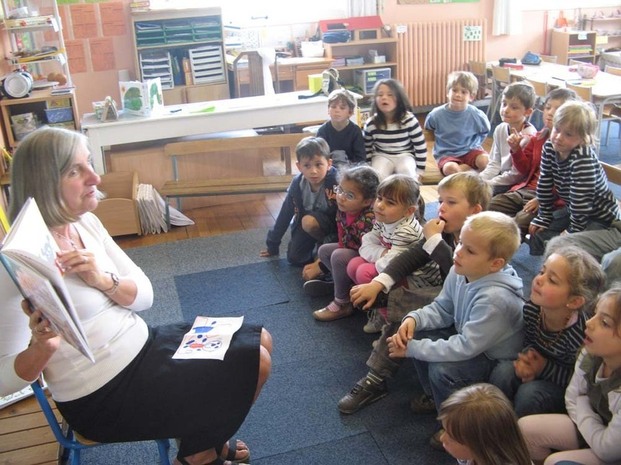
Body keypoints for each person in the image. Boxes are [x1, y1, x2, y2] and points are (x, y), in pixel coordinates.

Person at [0, 127, 272, 465]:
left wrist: (100, 279)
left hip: (146, 347)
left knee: (262, 339)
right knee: (256, 361)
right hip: (103, 395)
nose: (95, 177)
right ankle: (199, 454)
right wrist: (43, 349)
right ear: (44, 183)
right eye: (75, 171)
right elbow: (1, 379)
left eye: (88, 164)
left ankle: (204, 439)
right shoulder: (14, 263)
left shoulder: (85, 223)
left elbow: (144, 295)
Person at [338, 172, 491, 414]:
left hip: (467, 315)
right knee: (396, 300)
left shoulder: (483, 240)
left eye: (450, 202)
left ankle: (377, 378)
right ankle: (382, 374)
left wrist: (432, 240)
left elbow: (460, 274)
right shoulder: (450, 232)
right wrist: (380, 283)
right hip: (447, 303)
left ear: (474, 210)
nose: (441, 207)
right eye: (440, 200)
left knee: (405, 306)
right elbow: (412, 257)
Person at [387, 211, 524, 448]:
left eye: (470, 250)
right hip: (471, 340)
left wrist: (413, 350)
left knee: (443, 370)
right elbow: (443, 308)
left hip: (494, 357)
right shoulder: (460, 269)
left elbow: (465, 348)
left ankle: (456, 427)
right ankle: (435, 397)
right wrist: (414, 319)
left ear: (496, 263)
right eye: (460, 242)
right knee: (416, 334)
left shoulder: (495, 300)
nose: (458, 252)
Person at [490, 245, 606, 417]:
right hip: (539, 367)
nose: (538, 279)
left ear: (574, 302)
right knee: (503, 372)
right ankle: (494, 419)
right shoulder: (533, 309)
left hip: (565, 386)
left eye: (552, 280)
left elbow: (578, 380)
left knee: (530, 394)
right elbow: (530, 341)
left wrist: (542, 368)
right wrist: (527, 360)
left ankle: (518, 436)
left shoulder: (581, 334)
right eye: (542, 271)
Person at [519, 286, 621, 465]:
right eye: (595, 313)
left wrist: (583, 404)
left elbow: (608, 451)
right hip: (592, 429)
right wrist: (589, 422)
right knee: (524, 430)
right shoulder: (590, 353)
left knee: (555, 461)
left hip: (613, 452)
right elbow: (571, 398)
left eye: (604, 322)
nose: (589, 323)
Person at [528, 101, 621, 256]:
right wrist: (544, 215)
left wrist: (573, 230)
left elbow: (582, 201)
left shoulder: (582, 159)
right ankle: (547, 268)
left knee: (567, 249)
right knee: (540, 233)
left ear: (583, 138)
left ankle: (564, 270)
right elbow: (544, 183)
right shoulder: (550, 147)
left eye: (568, 134)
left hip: (600, 218)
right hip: (574, 210)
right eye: (557, 129)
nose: (558, 137)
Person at [346, 174, 435, 333]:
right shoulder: (383, 218)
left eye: (390, 203)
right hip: (393, 268)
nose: (380, 205)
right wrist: (382, 253)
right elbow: (366, 242)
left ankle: (392, 323)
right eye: (379, 198)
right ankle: (380, 309)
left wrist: (381, 255)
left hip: (418, 280)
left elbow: (393, 265)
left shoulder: (406, 231)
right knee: (354, 265)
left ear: (409, 211)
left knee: (364, 272)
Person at [488, 88, 577, 240]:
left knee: (518, 223)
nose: (550, 112)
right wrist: (516, 150)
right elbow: (524, 169)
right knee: (489, 205)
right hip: (525, 189)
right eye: (548, 107)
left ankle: (496, 253)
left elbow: (565, 183)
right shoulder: (537, 139)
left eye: (557, 109)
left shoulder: (569, 146)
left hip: (548, 199)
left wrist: (541, 199)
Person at [307, 166, 379, 321]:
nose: (341, 197)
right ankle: (342, 286)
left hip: (369, 256)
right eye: (340, 190)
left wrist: (343, 252)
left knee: (339, 256)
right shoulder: (343, 208)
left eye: (350, 195)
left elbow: (371, 249)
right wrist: (342, 247)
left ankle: (342, 303)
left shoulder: (370, 218)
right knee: (325, 250)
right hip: (354, 248)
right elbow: (341, 234)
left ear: (367, 201)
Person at [260, 136, 338, 266]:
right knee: (294, 258)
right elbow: (285, 214)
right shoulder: (297, 185)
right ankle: (318, 249)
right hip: (306, 225)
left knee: (309, 222)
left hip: (333, 228)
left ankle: (325, 246)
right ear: (299, 166)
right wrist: (273, 244)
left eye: (319, 165)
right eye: (307, 165)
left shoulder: (336, 183)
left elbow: (346, 214)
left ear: (329, 164)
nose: (313, 171)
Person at [437, 383, 532, 465]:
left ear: (479, 446)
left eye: (452, 438)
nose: (442, 438)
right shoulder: (480, 455)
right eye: (444, 430)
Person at [424, 71, 491, 176]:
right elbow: (429, 129)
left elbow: (485, 130)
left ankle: (467, 172)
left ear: (471, 97)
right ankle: (470, 171)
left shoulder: (477, 115)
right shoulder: (436, 114)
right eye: (454, 90)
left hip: (471, 151)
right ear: (448, 92)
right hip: (446, 154)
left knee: (485, 161)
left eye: (464, 92)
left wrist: (476, 144)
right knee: (450, 169)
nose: (458, 95)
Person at [362, 78, 427, 181]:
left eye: (390, 94)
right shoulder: (371, 123)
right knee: (378, 176)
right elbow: (367, 148)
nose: (384, 97)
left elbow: (420, 146)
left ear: (399, 98)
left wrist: (420, 170)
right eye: (380, 95)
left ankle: (409, 197)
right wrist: (369, 167)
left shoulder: (409, 120)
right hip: (381, 155)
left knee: (407, 174)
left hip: (405, 155)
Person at [480, 81, 537, 195]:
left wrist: (488, 183)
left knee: (476, 194)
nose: (506, 110)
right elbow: (494, 162)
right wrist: (480, 179)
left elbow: (517, 175)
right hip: (501, 177)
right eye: (504, 103)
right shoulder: (500, 128)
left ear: (528, 112)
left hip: (516, 184)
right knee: (469, 186)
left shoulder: (529, 136)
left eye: (514, 107)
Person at [316, 88, 366, 169]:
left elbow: (360, 159)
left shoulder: (355, 131)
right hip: (329, 169)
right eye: (333, 107)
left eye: (342, 108)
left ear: (350, 112)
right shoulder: (323, 131)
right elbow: (319, 156)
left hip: (351, 170)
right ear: (328, 110)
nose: (337, 111)